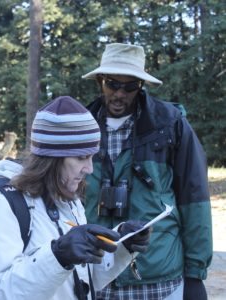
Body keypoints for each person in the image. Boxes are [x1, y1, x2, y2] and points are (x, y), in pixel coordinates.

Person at [0, 95, 151, 300]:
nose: (89, 168)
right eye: (81, 157)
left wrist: (123, 245)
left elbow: (81, 281)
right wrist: (58, 256)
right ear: (51, 159)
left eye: (91, 157)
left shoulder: (68, 199)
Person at [82, 43, 213, 300]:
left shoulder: (170, 123)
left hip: (158, 279)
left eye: (129, 86)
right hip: (95, 275)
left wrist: (195, 274)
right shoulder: (82, 125)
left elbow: (194, 197)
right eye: (112, 84)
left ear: (140, 86)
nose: (120, 94)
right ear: (100, 81)